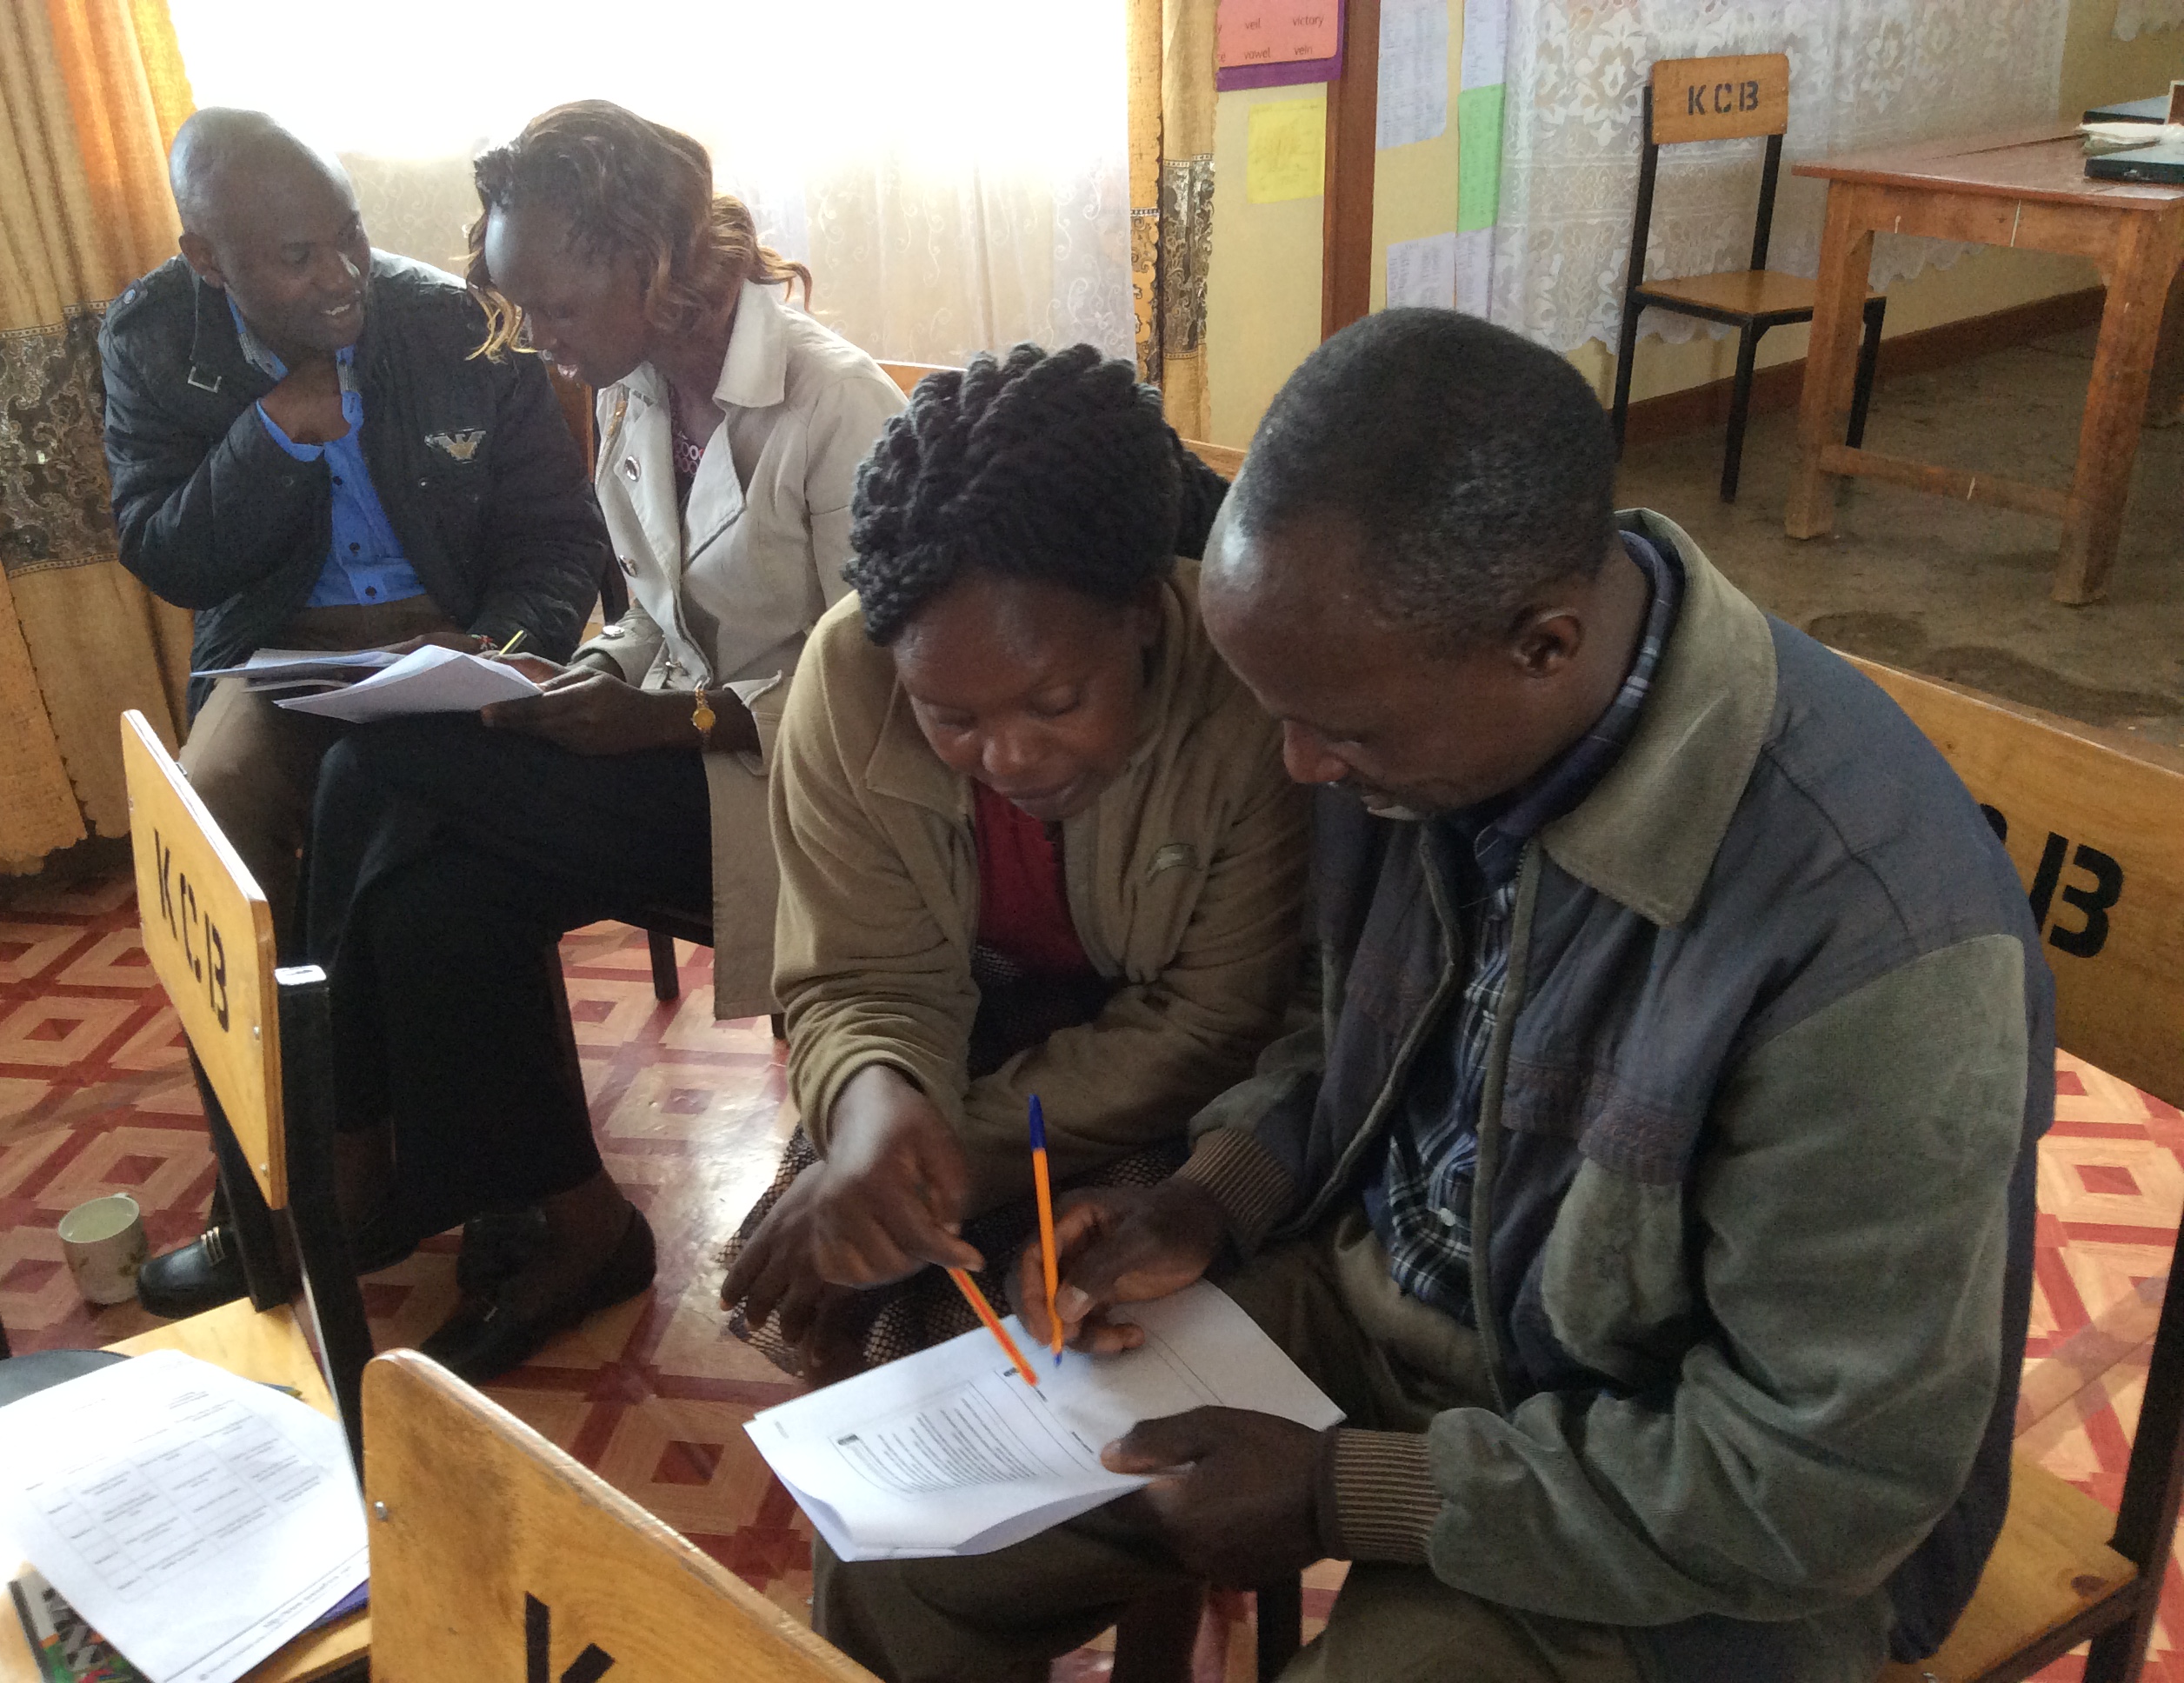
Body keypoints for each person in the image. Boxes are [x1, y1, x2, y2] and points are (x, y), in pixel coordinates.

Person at [811, 309, 2054, 1683]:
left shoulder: (1869, 941)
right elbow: (1344, 1032)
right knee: (906, 1546)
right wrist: (1210, 1195)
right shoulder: (1419, 712)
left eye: (1337, 728)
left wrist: (1353, 1494)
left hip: (1685, 1502)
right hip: (1390, 1316)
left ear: (1544, 644)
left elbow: (1827, 1482)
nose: (1297, 767)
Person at [296, 102, 906, 1383]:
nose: (541, 345)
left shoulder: (832, 400)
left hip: (786, 792)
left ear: (652, 262)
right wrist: (572, 677)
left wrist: (671, 717)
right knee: (436, 909)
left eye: (557, 310)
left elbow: (888, 687)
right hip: (660, 752)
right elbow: (648, 614)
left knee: (374, 758)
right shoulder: (635, 389)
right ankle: (579, 1220)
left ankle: (352, 1152)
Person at [99, 108, 609, 1318]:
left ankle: (505, 1178)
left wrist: (495, 649)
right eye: (296, 258)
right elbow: (164, 549)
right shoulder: (153, 338)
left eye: (351, 238)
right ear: (207, 258)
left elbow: (557, 540)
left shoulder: (454, 324)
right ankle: (276, 1186)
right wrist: (271, 439)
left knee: (436, 809)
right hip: (273, 657)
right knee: (209, 825)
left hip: (449, 636)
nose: (342, 280)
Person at [718, 344, 1308, 1382]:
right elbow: (859, 976)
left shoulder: (1248, 699)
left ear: (1139, 614)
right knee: (847, 1280)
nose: (1009, 757)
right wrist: (871, 1107)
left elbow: (1215, 1019)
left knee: (1092, 1314)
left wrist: (953, 1158)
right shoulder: (846, 679)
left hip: (1160, 1078)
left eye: (1056, 702)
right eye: (950, 717)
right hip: (948, 1042)